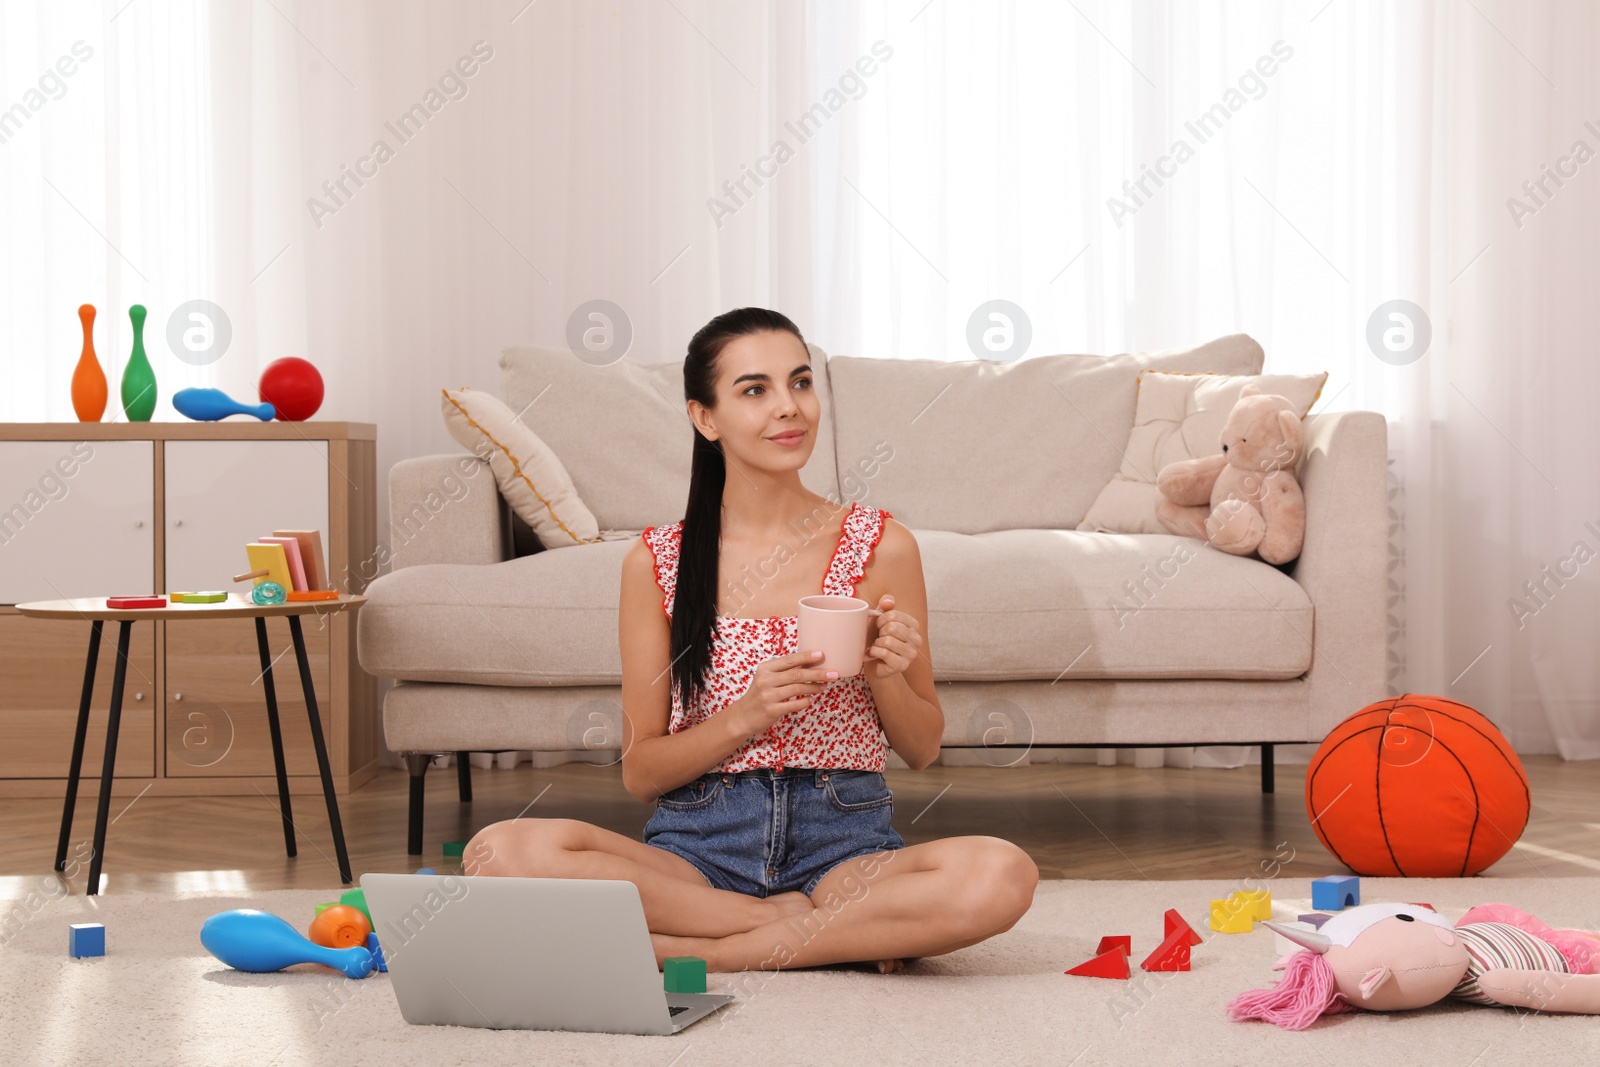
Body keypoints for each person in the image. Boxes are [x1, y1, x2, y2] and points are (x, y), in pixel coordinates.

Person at [468, 307, 1038, 973]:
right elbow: (641, 770)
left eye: (799, 383)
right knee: (497, 853)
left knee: (1002, 872)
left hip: (844, 852)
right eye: (754, 389)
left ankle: (705, 950)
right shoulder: (657, 560)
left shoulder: (883, 544)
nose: (788, 408)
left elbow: (922, 746)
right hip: (696, 857)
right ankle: (808, 932)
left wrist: (884, 671)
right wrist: (747, 715)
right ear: (705, 418)